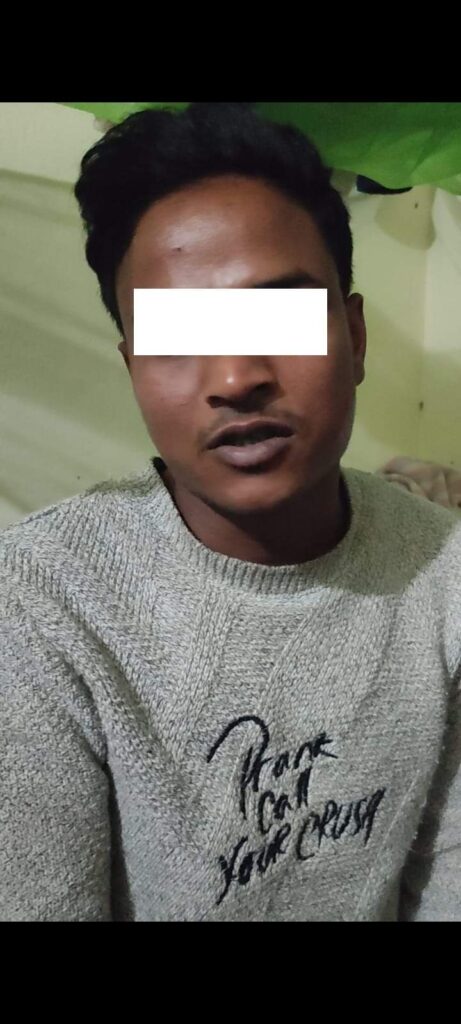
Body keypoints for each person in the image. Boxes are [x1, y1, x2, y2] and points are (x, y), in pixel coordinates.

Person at [0, 102, 460, 921]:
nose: (237, 376)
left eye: (277, 316)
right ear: (133, 367)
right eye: (178, 336)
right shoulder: (42, 601)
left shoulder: (446, 574)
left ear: (354, 337)